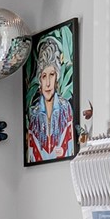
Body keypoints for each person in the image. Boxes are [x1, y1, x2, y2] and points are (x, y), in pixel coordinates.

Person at [26, 34, 76, 162]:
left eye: (52, 75)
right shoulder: (34, 112)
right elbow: (31, 152)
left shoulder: (65, 108)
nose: (48, 83)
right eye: (44, 76)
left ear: (57, 78)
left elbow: (70, 144)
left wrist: (63, 151)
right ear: (40, 80)